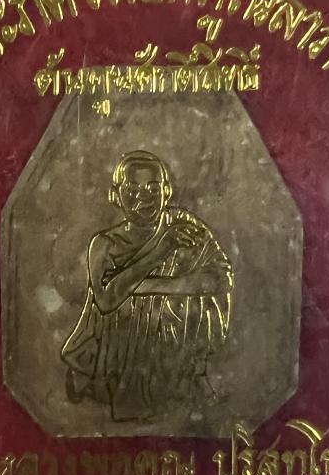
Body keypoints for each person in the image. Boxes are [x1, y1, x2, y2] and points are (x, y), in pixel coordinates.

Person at [61, 150, 234, 422]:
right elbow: (105, 301)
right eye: (133, 189)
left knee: (194, 299)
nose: (145, 197)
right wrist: (160, 251)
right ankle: (113, 382)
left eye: (153, 188)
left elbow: (222, 279)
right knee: (125, 305)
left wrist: (145, 286)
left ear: (167, 192)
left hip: (175, 336)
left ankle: (192, 372)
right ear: (116, 195)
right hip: (119, 340)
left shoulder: (185, 227)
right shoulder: (105, 244)